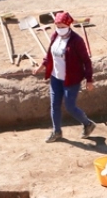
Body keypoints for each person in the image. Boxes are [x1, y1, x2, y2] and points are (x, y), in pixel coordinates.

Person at [34, 11, 96, 143]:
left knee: (70, 106)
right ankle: (57, 132)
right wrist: (41, 66)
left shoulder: (77, 41)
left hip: (71, 79)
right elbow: (49, 55)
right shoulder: (55, 35)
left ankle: (87, 123)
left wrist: (89, 79)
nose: (60, 29)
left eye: (62, 26)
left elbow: (86, 61)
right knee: (54, 105)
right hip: (55, 78)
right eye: (57, 26)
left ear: (68, 25)